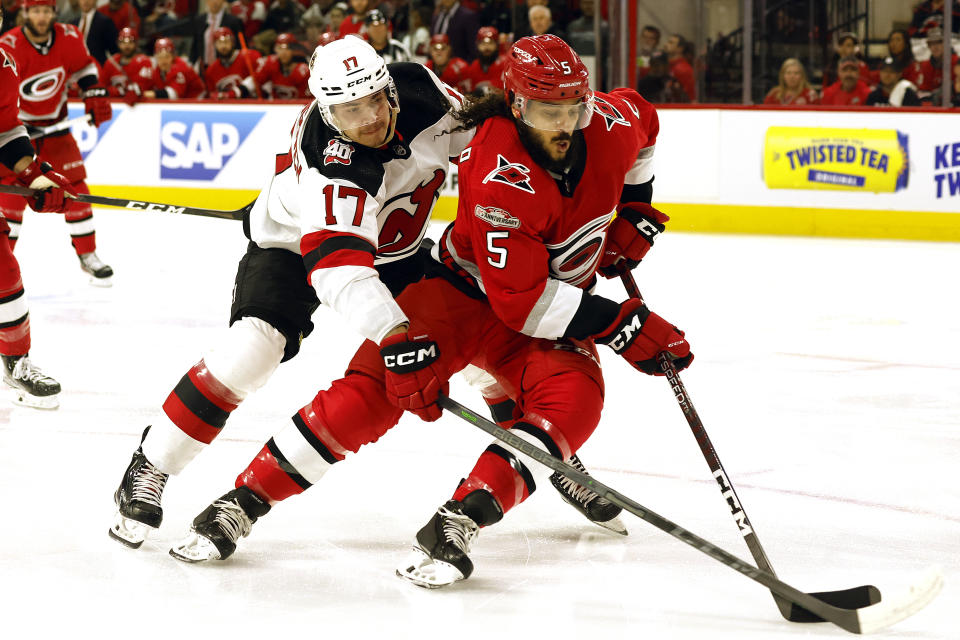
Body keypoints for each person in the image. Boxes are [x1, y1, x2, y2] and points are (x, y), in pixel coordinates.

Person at [165, 35, 687, 583]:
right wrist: (621, 323)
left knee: (576, 399)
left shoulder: (610, 121)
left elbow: (644, 122)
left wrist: (636, 203)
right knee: (374, 390)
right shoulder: (497, 169)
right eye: (543, 110)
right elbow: (522, 302)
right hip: (468, 294)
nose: (560, 125)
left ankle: (460, 519)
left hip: (547, 308)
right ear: (516, 105)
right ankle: (240, 502)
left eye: (571, 109)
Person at [107, 37, 477, 550]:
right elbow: (340, 269)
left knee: (477, 341)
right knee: (251, 352)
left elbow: (483, 144)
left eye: (375, 100)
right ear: (328, 111)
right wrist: (395, 336)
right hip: (295, 249)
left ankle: (547, 444)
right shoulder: (332, 165)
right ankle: (153, 463)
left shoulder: (421, 89)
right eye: (350, 110)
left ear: (390, 88)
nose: (370, 119)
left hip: (399, 250)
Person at [0, 0, 114, 285]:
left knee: (75, 190)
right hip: (15, 135)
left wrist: (92, 92)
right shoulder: (8, 45)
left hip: (55, 130)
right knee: (10, 200)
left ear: (54, 13)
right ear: (25, 13)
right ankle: (4, 263)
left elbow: (84, 67)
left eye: (46, 11)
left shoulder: (70, 37)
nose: (41, 16)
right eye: (35, 10)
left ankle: (88, 255)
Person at [0, 7, 72, 408]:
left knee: (4, 267)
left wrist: (34, 174)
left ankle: (16, 363)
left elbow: (6, 128)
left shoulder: (3, 64)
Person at [242, 32, 310, 99]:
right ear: (275, 49)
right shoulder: (271, 62)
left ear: (294, 50)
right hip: (275, 107)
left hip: (297, 108)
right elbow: (255, 81)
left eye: (288, 48)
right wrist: (239, 91)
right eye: (280, 48)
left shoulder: (304, 70)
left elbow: (306, 101)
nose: (283, 52)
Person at [100, 27, 154, 105]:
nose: (127, 46)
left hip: (142, 106)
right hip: (115, 105)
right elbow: (102, 86)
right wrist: (119, 91)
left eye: (130, 42)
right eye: (123, 42)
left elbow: (139, 89)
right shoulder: (111, 62)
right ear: (118, 44)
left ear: (136, 44)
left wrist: (116, 91)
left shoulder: (144, 62)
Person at [204, 26, 261, 98]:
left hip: (250, 105)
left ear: (233, 42)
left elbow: (261, 79)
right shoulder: (211, 71)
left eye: (226, 42)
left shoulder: (250, 57)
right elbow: (212, 94)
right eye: (219, 42)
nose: (223, 46)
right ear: (215, 45)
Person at [187, 0, 243, 69]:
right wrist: (191, 63)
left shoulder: (233, 21)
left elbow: (240, 47)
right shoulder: (199, 21)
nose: (214, 2)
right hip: (204, 67)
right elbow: (195, 46)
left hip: (227, 67)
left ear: (223, 1)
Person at [461, 26, 505, 96]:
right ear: (477, 45)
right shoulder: (474, 66)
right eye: (483, 43)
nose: (486, 47)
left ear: (497, 45)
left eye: (490, 43)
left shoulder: (505, 64)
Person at [70, 0, 117, 65]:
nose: (85, 1)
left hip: (98, 66)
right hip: (77, 67)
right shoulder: (73, 24)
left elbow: (114, 51)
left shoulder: (105, 22)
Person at [918, 28, 958, 94]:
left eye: (939, 42)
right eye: (931, 43)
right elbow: (924, 91)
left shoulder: (956, 62)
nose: (935, 47)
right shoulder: (926, 65)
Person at [663, 33, 695, 102]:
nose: (666, 45)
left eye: (671, 43)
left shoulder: (684, 69)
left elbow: (691, 96)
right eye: (668, 42)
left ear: (680, 49)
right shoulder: (665, 64)